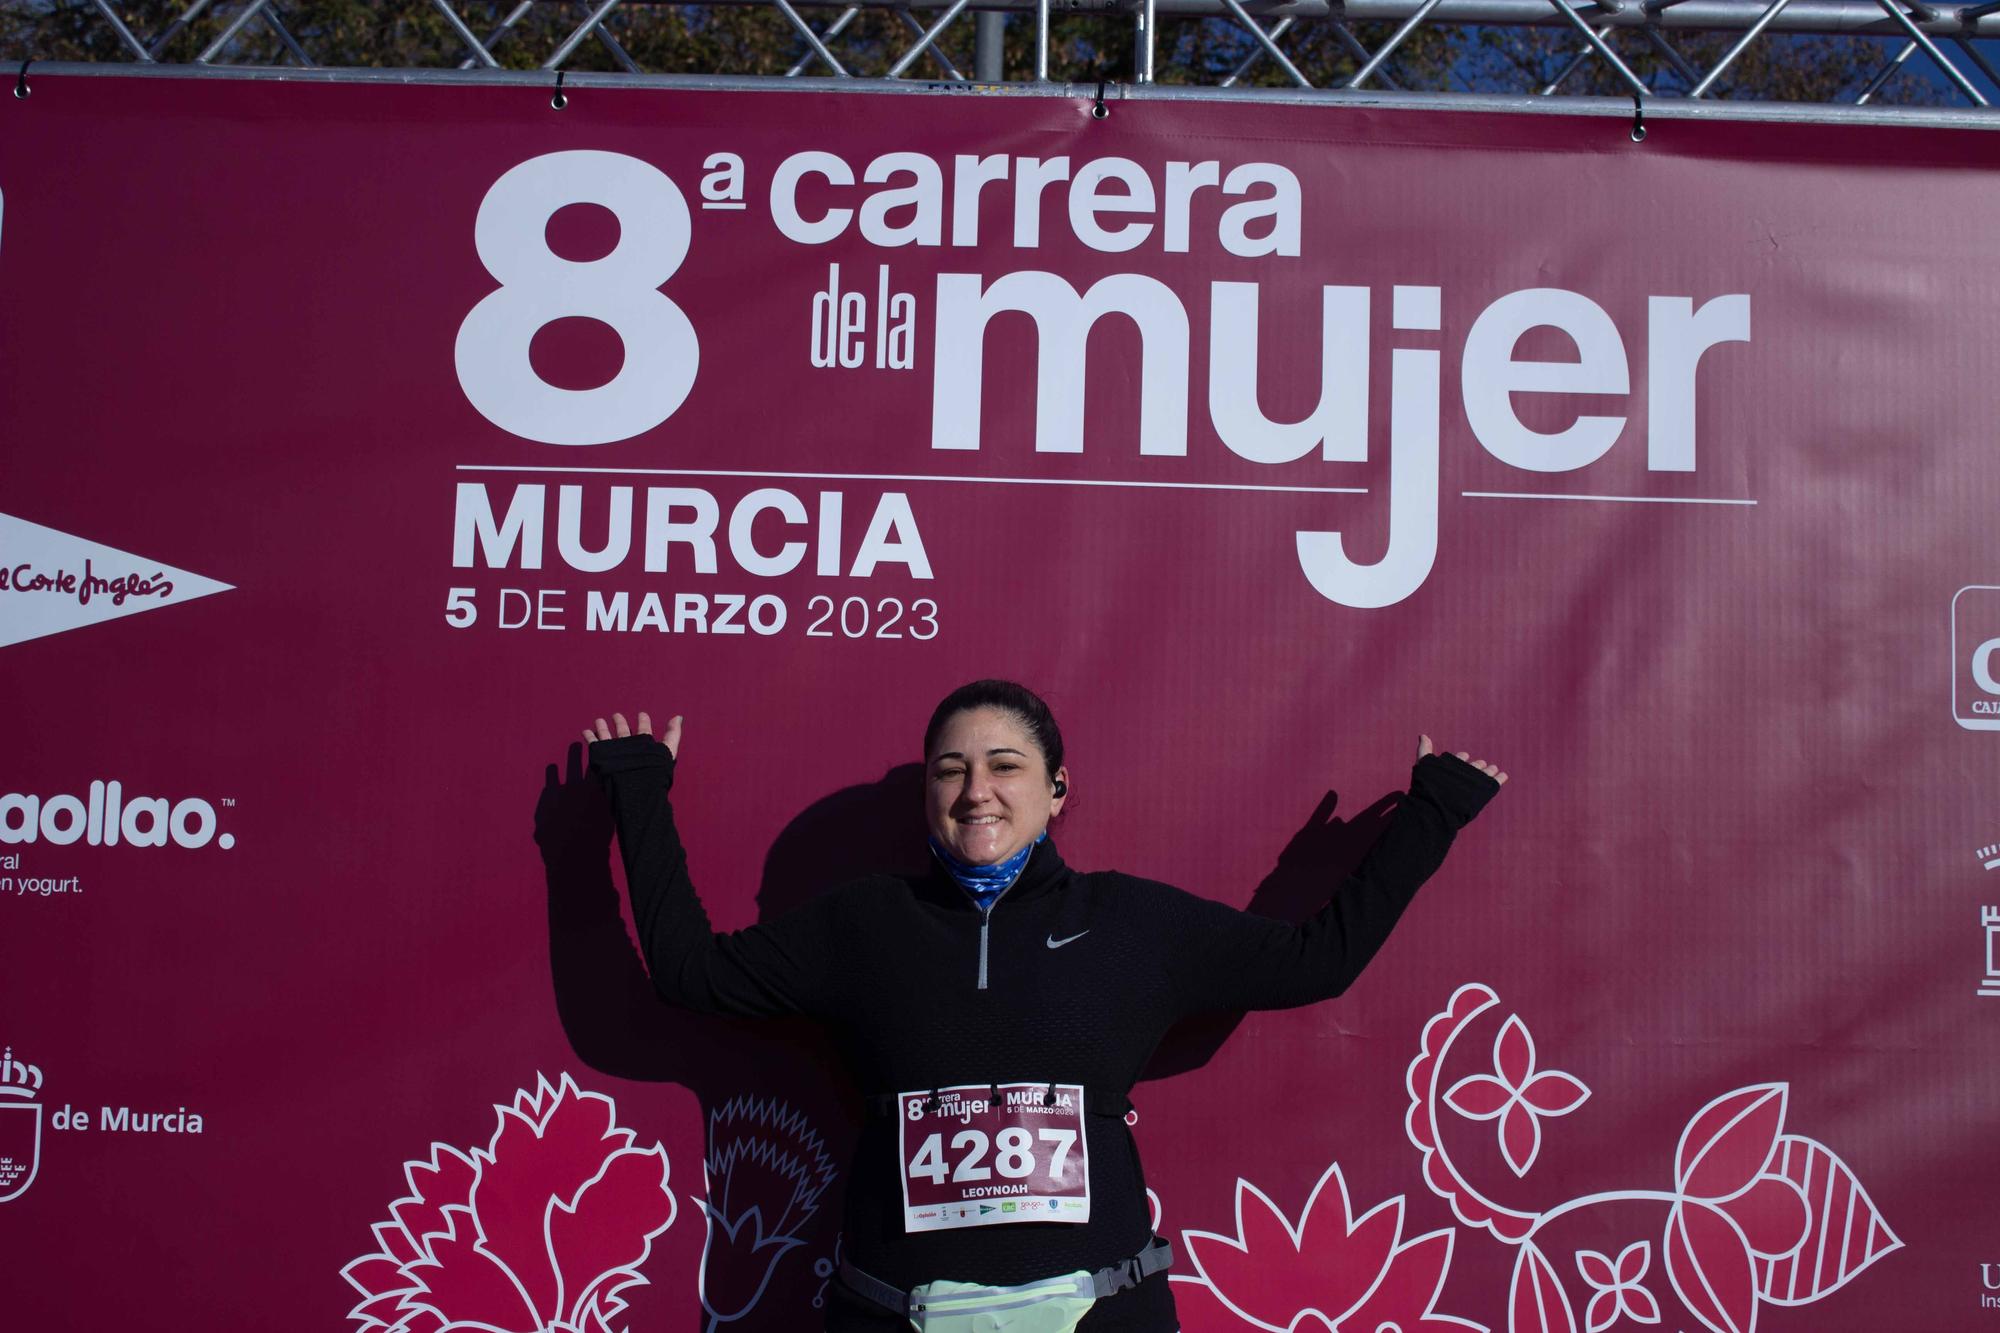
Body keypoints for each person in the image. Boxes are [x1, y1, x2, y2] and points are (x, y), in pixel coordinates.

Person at [584, 680, 1505, 1332]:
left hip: (1102, 1312)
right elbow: (691, 972)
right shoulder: (864, 924)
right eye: (949, 769)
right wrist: (638, 791)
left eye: (1005, 764)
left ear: (1056, 790)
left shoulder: (1130, 920)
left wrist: (1434, 811)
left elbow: (1318, 959)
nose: (975, 789)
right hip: (892, 1310)